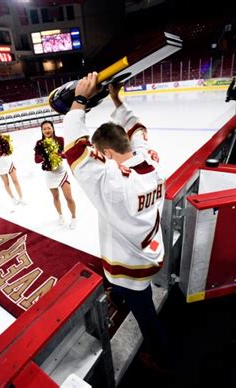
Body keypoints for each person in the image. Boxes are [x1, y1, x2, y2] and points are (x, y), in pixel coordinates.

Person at [63, 72, 170, 371]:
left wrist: (80, 100)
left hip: (130, 268)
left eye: (100, 154)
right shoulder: (151, 160)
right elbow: (136, 128)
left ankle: (164, 360)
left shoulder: (112, 182)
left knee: (146, 316)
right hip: (150, 251)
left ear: (107, 153)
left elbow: (74, 149)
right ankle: (121, 295)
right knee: (134, 297)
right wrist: (116, 100)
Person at [34, 120, 76, 228]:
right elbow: (36, 160)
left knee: (69, 197)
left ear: (53, 128)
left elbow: (67, 154)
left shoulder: (60, 140)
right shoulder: (39, 143)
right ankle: (61, 216)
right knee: (56, 197)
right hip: (50, 174)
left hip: (61, 172)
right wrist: (45, 156)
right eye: (44, 129)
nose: (47, 130)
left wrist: (58, 154)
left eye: (49, 128)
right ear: (42, 131)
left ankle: (74, 217)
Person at [0, 124, 25, 205]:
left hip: (9, 163)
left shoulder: (5, 138)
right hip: (0, 165)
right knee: (6, 184)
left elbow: (7, 150)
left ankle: (21, 198)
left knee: (15, 181)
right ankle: (13, 198)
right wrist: (1, 151)